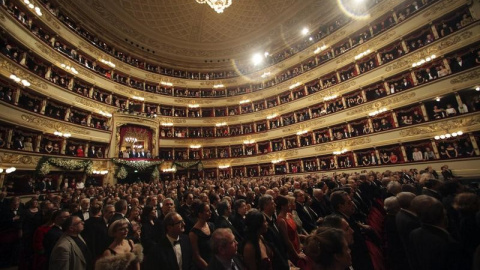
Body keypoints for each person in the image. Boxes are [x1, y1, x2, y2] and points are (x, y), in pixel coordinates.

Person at [275, 195, 306, 265]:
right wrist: (296, 254)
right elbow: (287, 240)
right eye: (288, 204)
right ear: (282, 206)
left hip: (296, 244)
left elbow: (295, 232)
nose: (290, 205)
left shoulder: (289, 214)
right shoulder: (281, 220)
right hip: (291, 248)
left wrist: (299, 245)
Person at [189, 200, 214, 269]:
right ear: (200, 214)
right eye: (208, 211)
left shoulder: (211, 225)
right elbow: (196, 257)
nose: (210, 212)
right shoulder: (193, 233)